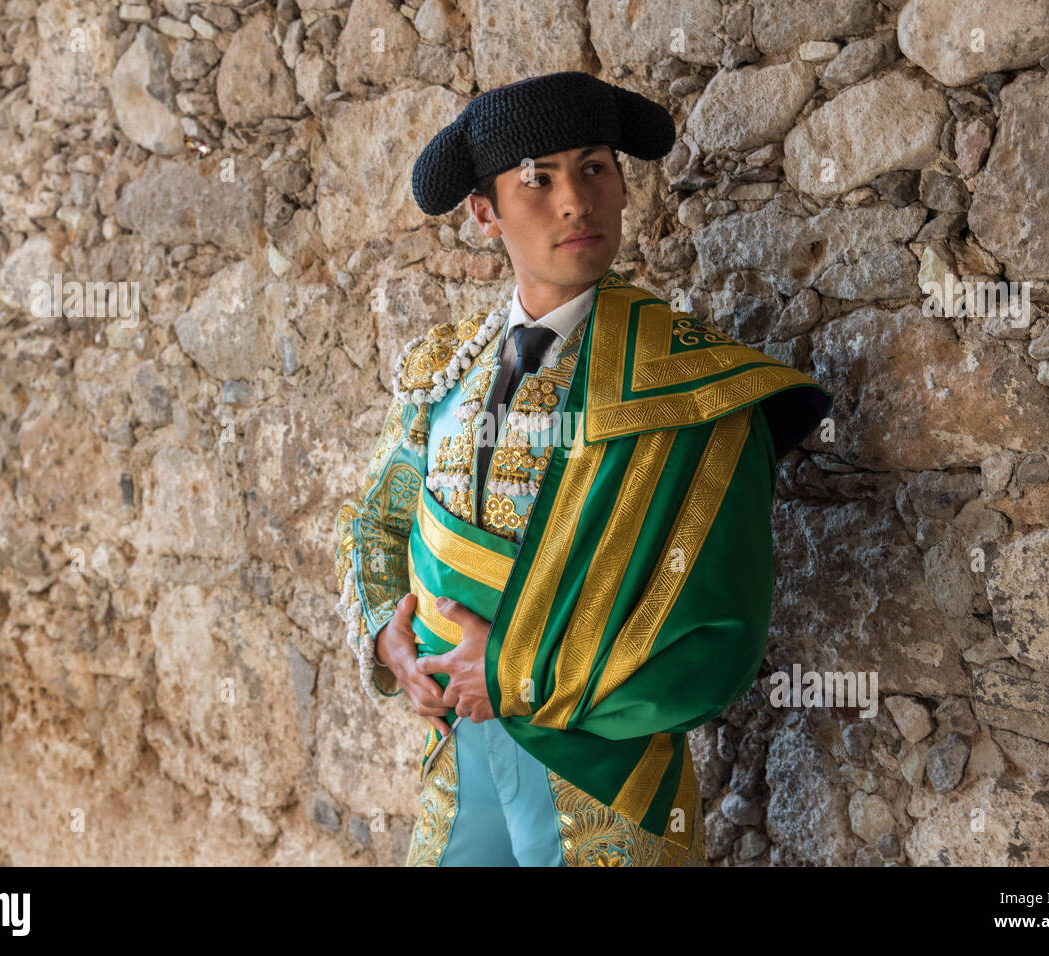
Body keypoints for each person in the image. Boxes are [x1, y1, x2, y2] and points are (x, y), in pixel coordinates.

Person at [332, 71, 834, 866]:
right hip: (455, 759)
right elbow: (380, 516)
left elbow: (720, 640)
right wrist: (388, 638)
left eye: (594, 168)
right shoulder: (441, 368)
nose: (575, 200)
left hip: (604, 780)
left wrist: (514, 673)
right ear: (485, 213)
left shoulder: (697, 390)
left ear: (624, 189)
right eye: (538, 179)